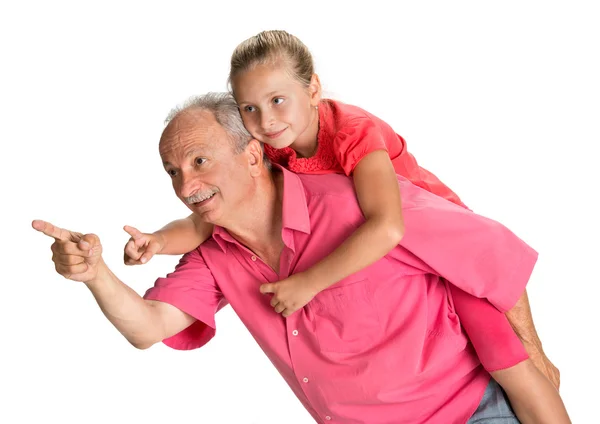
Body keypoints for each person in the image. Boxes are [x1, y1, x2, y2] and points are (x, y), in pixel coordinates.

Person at [33, 93, 570, 423]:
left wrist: (535, 353)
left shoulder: (356, 203)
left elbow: (492, 257)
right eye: (172, 171)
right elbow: (148, 327)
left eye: (199, 160)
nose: (185, 184)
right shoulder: (216, 254)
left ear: (251, 153)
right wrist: (94, 274)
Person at [123, 31, 556, 379]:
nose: (266, 121)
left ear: (312, 88)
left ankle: (543, 365)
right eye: (249, 108)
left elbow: (387, 225)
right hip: (392, 259)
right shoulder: (272, 146)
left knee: (514, 357)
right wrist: (157, 241)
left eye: (278, 100)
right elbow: (203, 223)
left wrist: (308, 283)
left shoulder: (352, 132)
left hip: (435, 236)